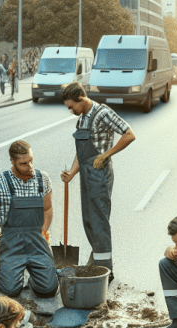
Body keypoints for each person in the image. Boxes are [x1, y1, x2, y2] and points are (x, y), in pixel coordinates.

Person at [60, 83, 136, 279]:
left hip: (99, 174)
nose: (71, 111)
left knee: (99, 222)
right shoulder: (83, 118)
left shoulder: (103, 113)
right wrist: (72, 173)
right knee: (89, 220)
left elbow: (129, 134)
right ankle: (97, 260)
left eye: (71, 107)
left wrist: (106, 155)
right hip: (86, 173)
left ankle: (105, 271)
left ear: (82, 100)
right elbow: (81, 152)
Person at [0, 140, 58, 298]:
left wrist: (44, 232)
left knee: (49, 289)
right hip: (11, 242)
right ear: (12, 161)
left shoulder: (42, 179)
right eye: (24, 163)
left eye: (31, 160)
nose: (30, 166)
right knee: (9, 291)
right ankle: (14, 276)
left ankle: (34, 279)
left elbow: (48, 208)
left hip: (36, 240)